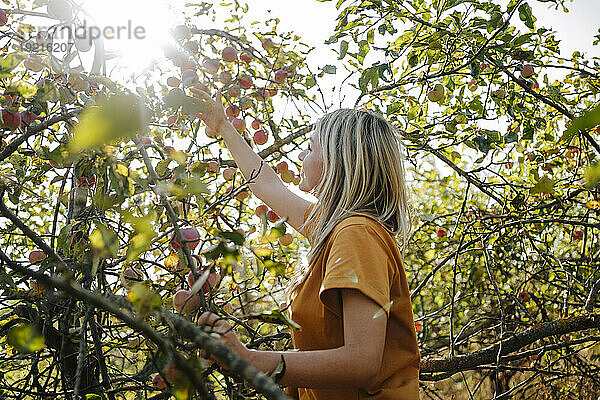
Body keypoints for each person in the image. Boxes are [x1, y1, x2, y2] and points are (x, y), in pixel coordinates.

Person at [195, 89, 421, 399]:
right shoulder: (336, 228)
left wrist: (253, 359)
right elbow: (266, 184)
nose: (300, 157)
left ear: (337, 160)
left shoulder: (356, 233)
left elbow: (362, 362)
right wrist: (222, 125)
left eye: (309, 148)